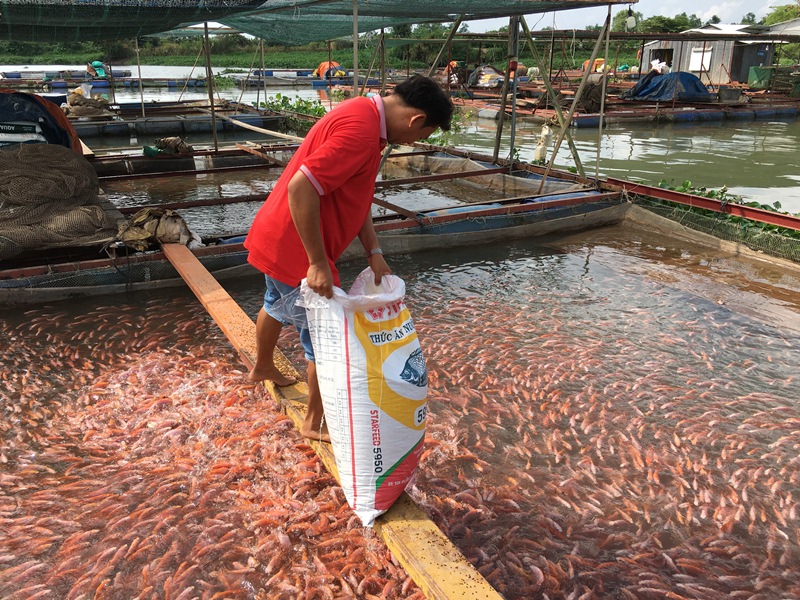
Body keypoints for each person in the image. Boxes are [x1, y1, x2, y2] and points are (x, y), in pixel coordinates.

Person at [244, 75, 453, 441]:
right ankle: (314, 422)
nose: (415, 142)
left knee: (276, 302)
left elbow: (358, 195)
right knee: (325, 342)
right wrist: (318, 262)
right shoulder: (360, 132)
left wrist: (373, 251)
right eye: (422, 137)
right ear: (417, 120)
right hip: (297, 248)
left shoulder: (364, 114)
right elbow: (302, 186)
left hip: (277, 234)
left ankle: (262, 366)